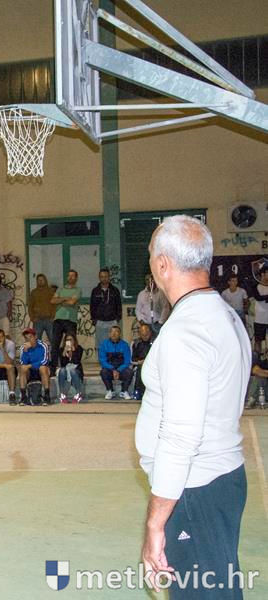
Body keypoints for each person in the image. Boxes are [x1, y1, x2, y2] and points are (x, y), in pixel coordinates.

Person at [136, 215, 250, 597]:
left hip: (194, 487)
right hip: (222, 478)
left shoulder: (185, 331)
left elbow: (181, 435)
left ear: (162, 264)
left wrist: (156, 522)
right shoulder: (225, 315)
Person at [90, 267, 122, 352]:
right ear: (99, 277)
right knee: (100, 345)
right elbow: (92, 306)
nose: (104, 279)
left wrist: (117, 318)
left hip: (112, 321)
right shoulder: (95, 291)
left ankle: (114, 358)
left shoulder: (115, 290)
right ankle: (102, 359)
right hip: (100, 322)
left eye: (106, 276)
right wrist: (94, 320)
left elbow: (119, 305)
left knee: (114, 343)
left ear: (109, 277)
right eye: (102, 277)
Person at [17, 327, 51, 405]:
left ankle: (47, 396)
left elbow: (44, 361)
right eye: (26, 338)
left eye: (30, 337)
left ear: (35, 337)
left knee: (43, 368)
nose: (29, 340)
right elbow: (23, 362)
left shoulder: (43, 345)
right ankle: (23, 397)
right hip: (30, 372)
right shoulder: (23, 347)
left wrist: (30, 365)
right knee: (22, 368)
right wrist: (26, 351)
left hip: (40, 370)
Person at [50, 269, 81, 355]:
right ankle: (54, 363)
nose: (70, 277)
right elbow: (52, 301)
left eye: (72, 276)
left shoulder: (78, 290)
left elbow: (72, 302)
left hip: (70, 321)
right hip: (58, 320)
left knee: (69, 344)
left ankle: (68, 361)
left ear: (76, 278)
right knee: (55, 344)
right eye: (69, 275)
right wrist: (65, 298)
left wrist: (59, 301)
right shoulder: (60, 289)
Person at [98, 325, 132, 400]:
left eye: (116, 332)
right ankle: (110, 390)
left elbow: (127, 361)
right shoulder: (104, 345)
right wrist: (113, 369)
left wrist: (118, 370)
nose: (114, 334)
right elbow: (102, 361)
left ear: (120, 334)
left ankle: (124, 391)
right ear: (109, 334)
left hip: (121, 369)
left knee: (129, 372)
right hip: (110, 369)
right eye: (112, 332)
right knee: (103, 372)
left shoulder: (125, 345)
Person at [56, 333, 84, 403]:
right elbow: (62, 364)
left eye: (71, 340)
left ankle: (78, 393)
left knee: (72, 371)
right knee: (62, 370)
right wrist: (64, 352)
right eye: (67, 340)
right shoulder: (62, 349)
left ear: (74, 340)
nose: (69, 341)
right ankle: (62, 394)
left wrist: (73, 351)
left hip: (76, 371)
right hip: (66, 371)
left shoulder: (79, 348)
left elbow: (77, 361)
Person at [28, 274, 56, 346]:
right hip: (37, 320)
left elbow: (55, 305)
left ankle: (55, 353)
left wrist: (53, 317)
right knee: (36, 341)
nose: (40, 281)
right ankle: (37, 353)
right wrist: (32, 318)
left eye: (42, 280)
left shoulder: (50, 291)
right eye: (38, 280)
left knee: (53, 339)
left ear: (45, 280)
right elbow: (30, 306)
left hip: (49, 320)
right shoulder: (34, 292)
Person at [130, 323, 154, 401]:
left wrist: (148, 361)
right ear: (140, 334)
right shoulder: (135, 343)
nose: (145, 336)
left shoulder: (156, 342)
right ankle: (138, 391)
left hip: (153, 364)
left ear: (150, 333)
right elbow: (132, 359)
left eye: (147, 334)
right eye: (143, 335)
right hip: (139, 364)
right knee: (141, 368)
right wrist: (139, 362)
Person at [252, 265, 268, 353]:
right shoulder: (256, 286)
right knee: (258, 340)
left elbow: (262, 298)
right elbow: (258, 297)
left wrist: (264, 297)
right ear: (262, 274)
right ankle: (257, 358)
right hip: (260, 319)